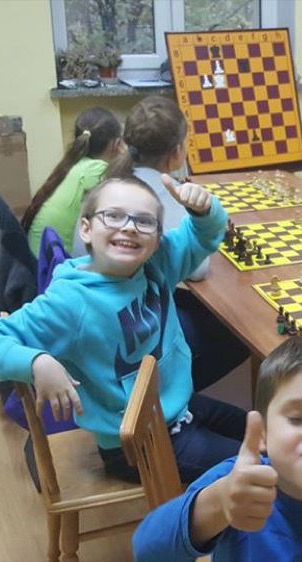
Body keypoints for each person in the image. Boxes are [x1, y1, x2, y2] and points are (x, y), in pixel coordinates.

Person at [0, 177, 248, 484]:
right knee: (262, 465)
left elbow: (203, 234)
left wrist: (204, 210)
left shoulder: (157, 264)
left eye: (144, 221)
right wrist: (37, 362)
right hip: (136, 445)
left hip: (177, 408)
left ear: (157, 238)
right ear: (86, 229)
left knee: (263, 430)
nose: (129, 228)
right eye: (113, 216)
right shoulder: (71, 303)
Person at [132, 335, 302, 562]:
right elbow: (147, 549)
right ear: (264, 432)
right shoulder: (236, 486)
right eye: (297, 417)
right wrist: (219, 504)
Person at [106, 95, 250, 393]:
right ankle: (173, 392)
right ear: (177, 152)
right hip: (133, 323)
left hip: (112, 311)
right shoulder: (160, 195)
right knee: (239, 334)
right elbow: (198, 270)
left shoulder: (114, 179)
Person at [22, 107, 123, 256]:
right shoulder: (96, 170)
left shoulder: (76, 164)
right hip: (53, 264)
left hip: (40, 258)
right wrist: (126, 159)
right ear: (117, 144)